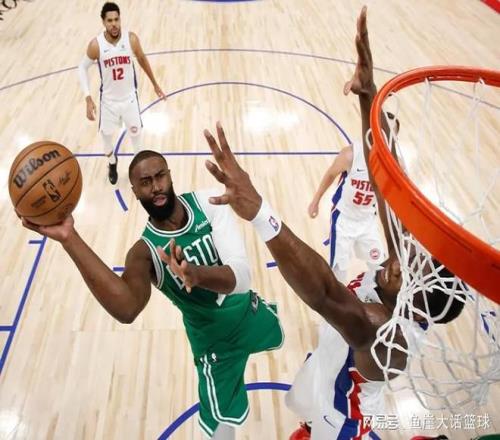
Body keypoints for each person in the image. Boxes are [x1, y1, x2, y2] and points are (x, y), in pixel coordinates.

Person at [201, 7, 465, 440]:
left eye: (409, 271)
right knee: (308, 395)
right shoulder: (399, 281)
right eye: (409, 259)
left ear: (416, 303)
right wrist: (368, 97)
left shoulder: (387, 336)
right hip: (327, 365)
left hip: (341, 417)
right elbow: (386, 185)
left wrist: (260, 211)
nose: (399, 260)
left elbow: (324, 292)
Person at [20, 151, 284, 440]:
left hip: (249, 313)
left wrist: (197, 274)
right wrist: (70, 238)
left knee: (305, 353)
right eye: (145, 182)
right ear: (135, 191)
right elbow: (127, 309)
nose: (156, 187)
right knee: (220, 427)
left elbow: (242, 277)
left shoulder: (208, 204)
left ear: (170, 175)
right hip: (215, 345)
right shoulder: (144, 253)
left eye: (160, 176)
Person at [78, 2, 166, 185]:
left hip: (129, 101)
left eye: (116, 19)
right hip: (108, 103)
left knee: (137, 141)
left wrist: (155, 84)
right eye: (109, 20)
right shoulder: (96, 45)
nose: (114, 24)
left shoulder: (131, 39)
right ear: (103, 22)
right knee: (106, 140)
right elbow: (82, 68)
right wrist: (88, 98)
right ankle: (112, 163)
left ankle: (139, 172)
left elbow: (142, 59)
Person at [308, 134, 397, 283]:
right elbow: (331, 174)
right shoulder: (351, 154)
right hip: (344, 220)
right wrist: (315, 201)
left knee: (380, 269)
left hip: (368, 221)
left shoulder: (394, 162)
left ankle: (369, 293)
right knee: (338, 275)